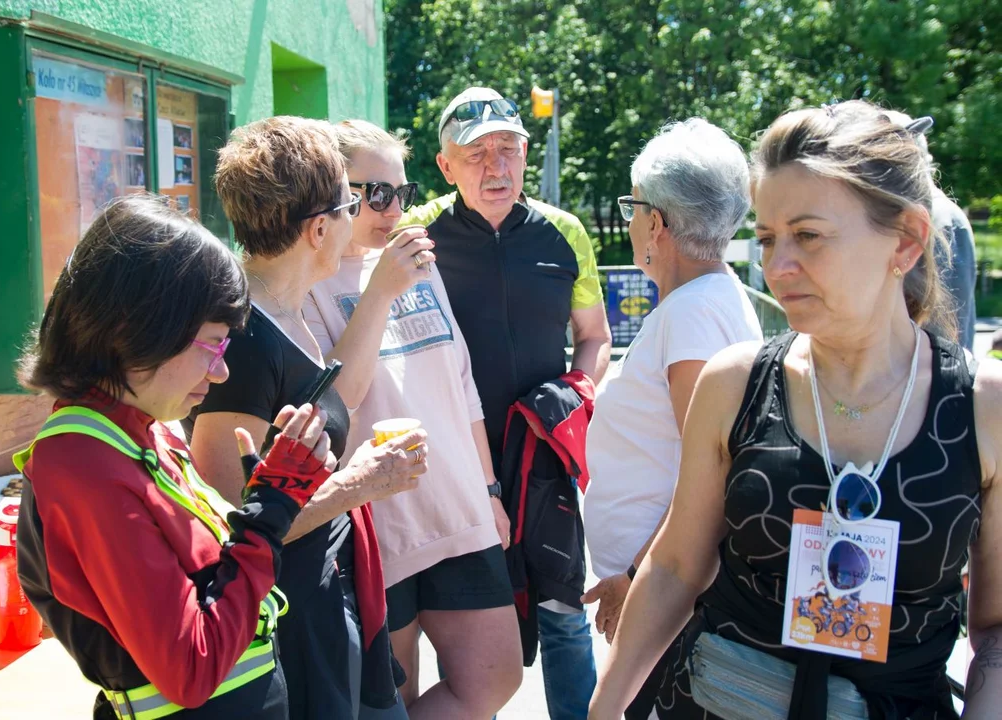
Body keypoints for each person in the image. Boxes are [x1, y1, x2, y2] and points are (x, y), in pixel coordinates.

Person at [589, 100, 1002, 720]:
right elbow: (676, 566)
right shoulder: (735, 383)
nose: (777, 267)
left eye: (807, 235)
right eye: (767, 238)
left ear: (908, 241)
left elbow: (994, 624)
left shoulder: (981, 406)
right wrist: (606, 707)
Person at [13, 194, 336, 719]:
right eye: (213, 345)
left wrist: (263, 501)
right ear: (141, 329)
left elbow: (208, 585)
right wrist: (268, 518)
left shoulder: (140, 430)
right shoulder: (84, 463)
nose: (221, 373)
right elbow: (191, 668)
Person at [188, 117, 429, 720]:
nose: (361, 214)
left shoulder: (285, 315)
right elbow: (230, 525)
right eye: (351, 202)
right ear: (319, 230)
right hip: (289, 626)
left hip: (323, 598)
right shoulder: (242, 341)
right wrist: (362, 482)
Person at [402, 86, 612, 719]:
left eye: (509, 149)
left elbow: (595, 336)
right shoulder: (417, 237)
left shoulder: (565, 232)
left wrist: (581, 395)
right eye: (476, 154)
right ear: (444, 166)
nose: (497, 168)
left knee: (563, 613)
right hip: (454, 471)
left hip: (543, 462)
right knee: (472, 632)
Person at [303, 119, 523, 717]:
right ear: (334, 193)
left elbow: (461, 384)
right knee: (390, 696)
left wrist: (489, 490)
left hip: (457, 505)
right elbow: (337, 401)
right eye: (375, 194)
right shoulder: (310, 283)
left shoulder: (420, 263)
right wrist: (378, 292)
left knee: (496, 678)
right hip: (377, 525)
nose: (392, 208)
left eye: (399, 192)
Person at [579, 119, 764, 719]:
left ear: (656, 223)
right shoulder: (714, 297)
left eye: (633, 208)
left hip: (669, 595)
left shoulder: (690, 316)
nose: (631, 222)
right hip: (671, 590)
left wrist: (633, 576)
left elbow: (704, 474)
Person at [883, 110, 977, 350]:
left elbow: (950, 316)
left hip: (929, 375)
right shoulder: (891, 209)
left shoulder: (941, 216)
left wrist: (943, 380)